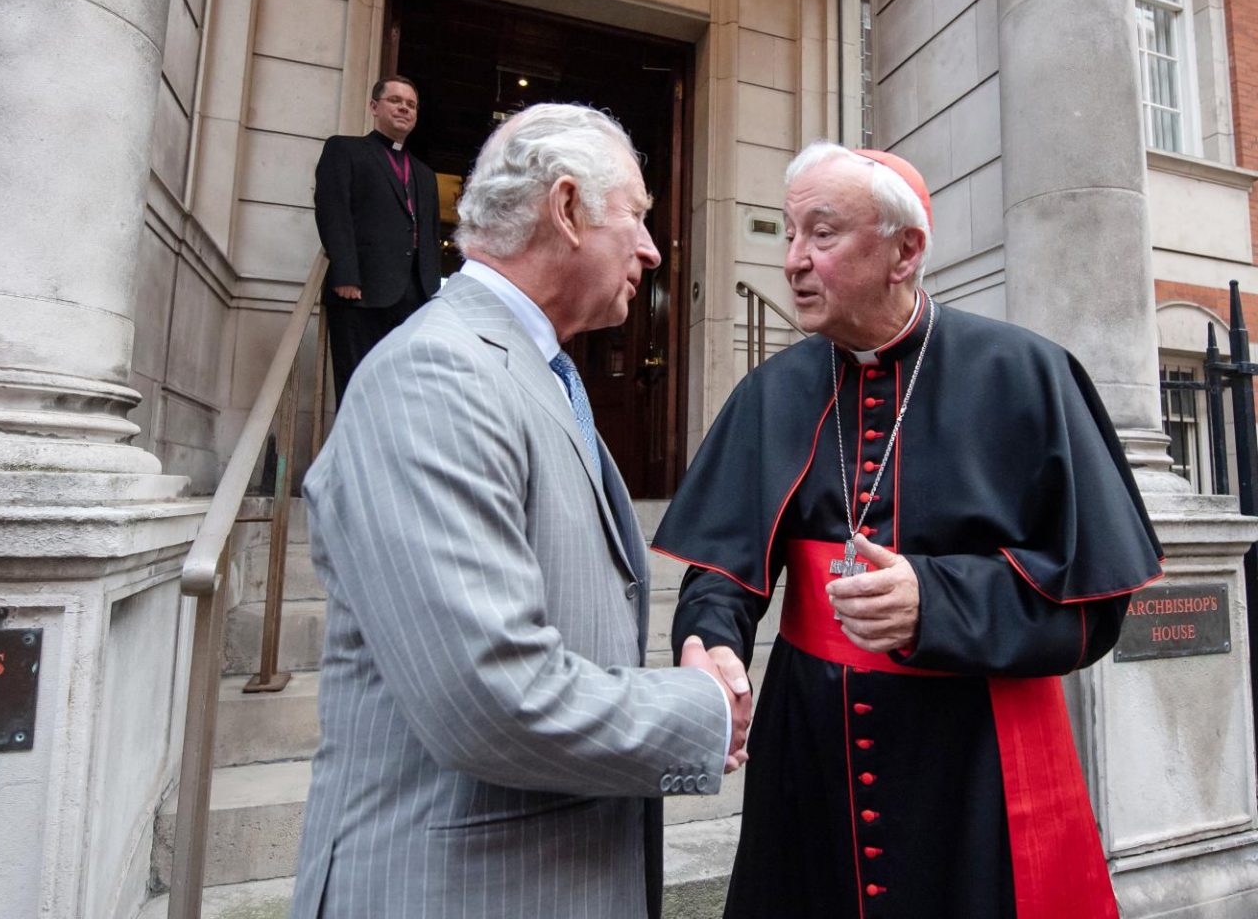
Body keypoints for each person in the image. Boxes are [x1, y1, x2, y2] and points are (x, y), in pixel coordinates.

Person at [651, 141, 1163, 919]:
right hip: (810, 756)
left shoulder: (1025, 373)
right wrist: (709, 641)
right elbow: (721, 569)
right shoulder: (771, 392)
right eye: (789, 233)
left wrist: (938, 600)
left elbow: (1098, 608)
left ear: (905, 251)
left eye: (822, 234)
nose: (793, 260)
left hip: (973, 764)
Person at [290, 104, 752, 919]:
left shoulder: (530, 372)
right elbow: (488, 696)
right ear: (567, 208)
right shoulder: (435, 374)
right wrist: (702, 709)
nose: (652, 249)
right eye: (637, 216)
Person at [313, 75, 442, 404]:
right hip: (361, 293)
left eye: (411, 104)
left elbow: (430, 235)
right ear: (374, 106)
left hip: (414, 298)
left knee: (402, 390)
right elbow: (333, 210)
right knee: (358, 387)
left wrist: (432, 294)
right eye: (395, 101)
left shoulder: (425, 174)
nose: (404, 108)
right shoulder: (344, 149)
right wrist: (346, 273)